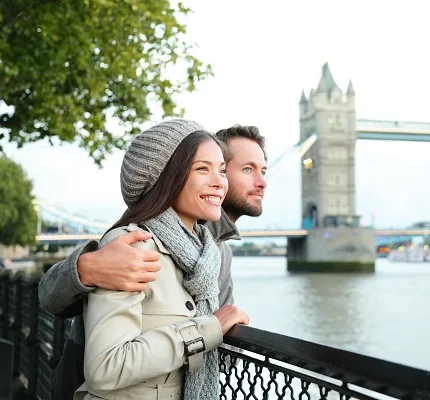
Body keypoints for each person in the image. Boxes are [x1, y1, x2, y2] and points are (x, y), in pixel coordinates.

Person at [38, 123, 268, 399]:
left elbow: (222, 345)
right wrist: (85, 268)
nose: (262, 182)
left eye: (220, 169)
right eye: (246, 169)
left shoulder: (215, 252)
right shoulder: (135, 241)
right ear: (169, 174)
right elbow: (51, 298)